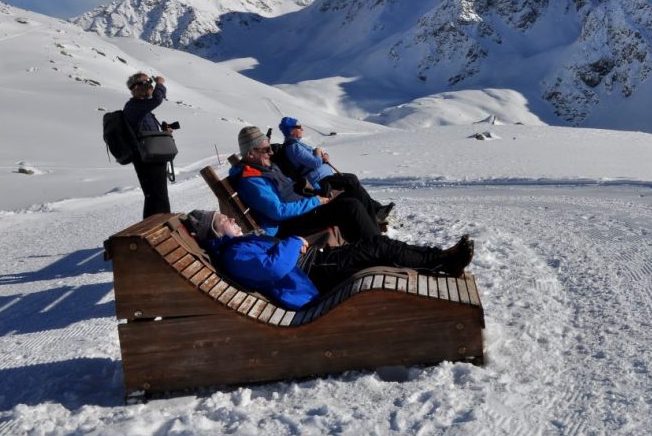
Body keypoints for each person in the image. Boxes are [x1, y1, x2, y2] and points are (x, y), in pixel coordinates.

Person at [184, 210, 474, 310]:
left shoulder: (236, 247)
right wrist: (293, 241)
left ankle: (438, 260)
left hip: (312, 263)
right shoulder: (234, 254)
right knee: (378, 248)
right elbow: (273, 268)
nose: (232, 218)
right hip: (314, 272)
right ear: (213, 230)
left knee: (376, 246)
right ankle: (440, 262)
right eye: (223, 219)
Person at [230, 125, 381, 242]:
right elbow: (279, 211)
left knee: (354, 193)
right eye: (266, 149)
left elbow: (290, 189)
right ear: (250, 153)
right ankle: (377, 248)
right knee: (350, 207)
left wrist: (317, 192)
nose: (271, 153)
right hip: (290, 223)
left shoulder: (263, 167)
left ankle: (376, 242)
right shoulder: (251, 180)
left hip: (303, 209)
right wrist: (315, 201)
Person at [277, 116, 394, 224]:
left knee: (351, 181)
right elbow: (315, 162)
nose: (302, 129)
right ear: (291, 130)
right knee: (351, 180)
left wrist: (323, 156)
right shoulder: (294, 147)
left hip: (322, 176)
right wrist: (318, 152)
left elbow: (313, 160)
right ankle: (375, 213)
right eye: (299, 127)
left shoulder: (296, 145)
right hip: (319, 180)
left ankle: (376, 209)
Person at [123, 72, 172, 218]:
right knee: (158, 197)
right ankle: (163, 229)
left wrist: (164, 132)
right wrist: (160, 84)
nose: (151, 86)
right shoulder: (134, 106)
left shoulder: (140, 107)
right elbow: (157, 99)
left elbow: (148, 133)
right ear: (137, 87)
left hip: (152, 157)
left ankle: (152, 231)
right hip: (146, 159)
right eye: (147, 83)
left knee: (155, 197)